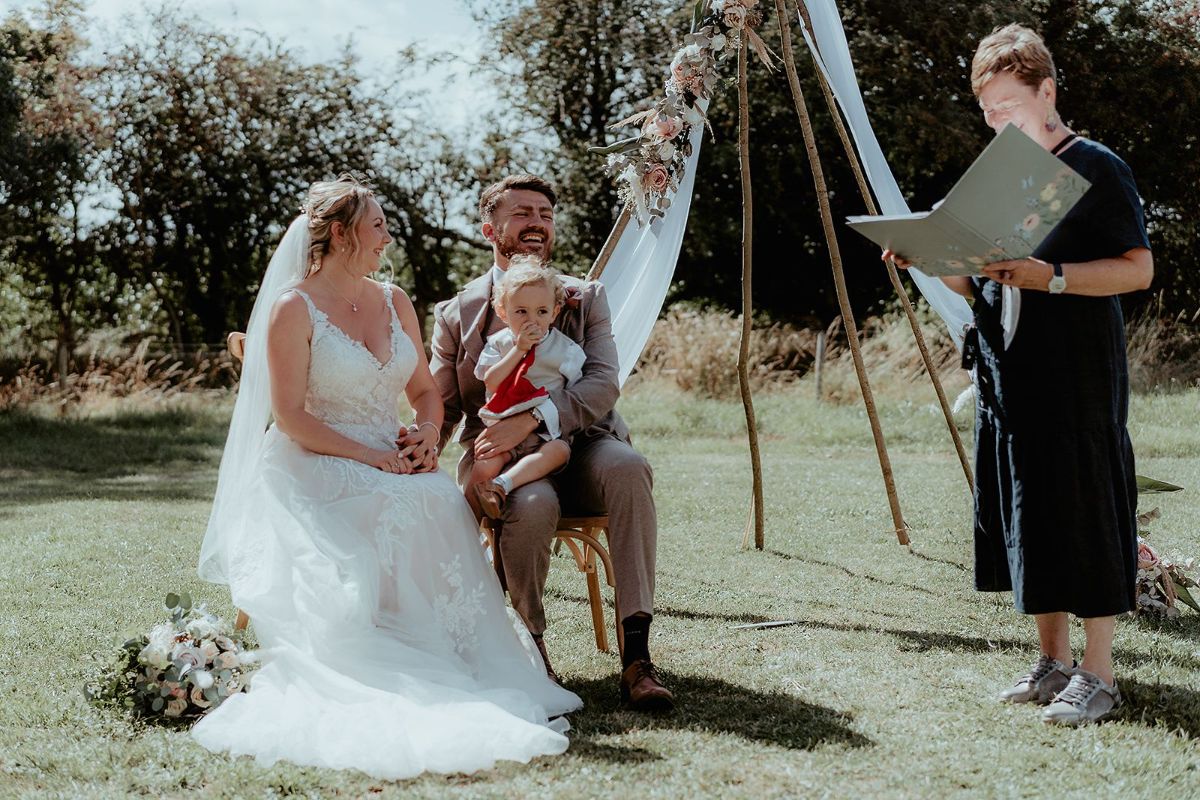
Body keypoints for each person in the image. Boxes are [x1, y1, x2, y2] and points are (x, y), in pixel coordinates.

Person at [194, 174, 580, 778]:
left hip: (393, 453)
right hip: (313, 458)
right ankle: (382, 644)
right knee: (393, 501)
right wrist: (371, 457)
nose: (388, 237)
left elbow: (426, 391)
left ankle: (453, 653)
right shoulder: (293, 308)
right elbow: (291, 417)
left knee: (436, 499)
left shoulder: (394, 300)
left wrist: (427, 432)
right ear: (342, 233)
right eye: (378, 225)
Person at [885, 24, 1152, 725]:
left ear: (1048, 91)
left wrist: (1052, 276)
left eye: (1010, 105)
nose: (998, 121)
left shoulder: (1096, 166)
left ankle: (1100, 674)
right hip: (1009, 372)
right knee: (1028, 513)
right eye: (988, 110)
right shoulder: (1000, 176)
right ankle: (1052, 663)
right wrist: (928, 257)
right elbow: (983, 287)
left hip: (1077, 372)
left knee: (1083, 509)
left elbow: (1138, 268)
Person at [431, 174, 674, 709]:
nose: (537, 223)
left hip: (584, 442)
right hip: (501, 457)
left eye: (545, 213)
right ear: (490, 228)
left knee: (629, 466)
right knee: (533, 502)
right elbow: (443, 407)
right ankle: (530, 650)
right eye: (523, 213)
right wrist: (424, 448)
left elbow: (603, 382)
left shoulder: (584, 298)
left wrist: (535, 418)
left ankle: (637, 657)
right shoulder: (456, 312)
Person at [468, 257, 585, 521]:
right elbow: (491, 381)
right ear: (502, 311)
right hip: (502, 429)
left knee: (560, 452)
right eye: (521, 312)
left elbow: (576, 394)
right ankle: (465, 532)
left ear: (555, 312)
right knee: (483, 467)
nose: (532, 320)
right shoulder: (498, 344)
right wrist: (518, 349)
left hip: (544, 435)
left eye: (541, 312)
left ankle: (502, 485)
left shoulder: (566, 351)